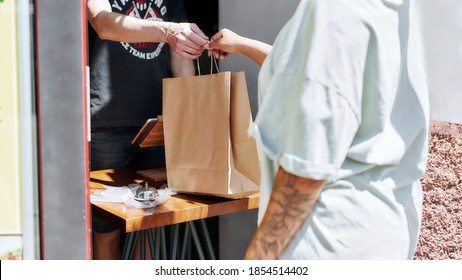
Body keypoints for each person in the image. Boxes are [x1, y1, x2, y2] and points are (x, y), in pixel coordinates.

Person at [209, 0, 429, 259]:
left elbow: (306, 167)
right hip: (386, 227)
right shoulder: (393, 7)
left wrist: (259, 259)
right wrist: (241, 45)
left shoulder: (332, 8)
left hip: (328, 235)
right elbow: (314, 73)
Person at [87, 0, 209, 259]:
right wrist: (168, 32)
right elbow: (102, 23)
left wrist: (191, 123)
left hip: (158, 124)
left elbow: (181, 59)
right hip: (106, 124)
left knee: (150, 226)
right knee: (106, 230)